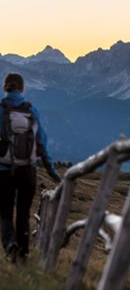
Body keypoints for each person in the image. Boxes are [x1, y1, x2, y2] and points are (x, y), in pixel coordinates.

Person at [0, 73, 60, 262]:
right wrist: (52, 171)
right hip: (28, 170)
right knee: (24, 213)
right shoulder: (32, 111)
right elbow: (41, 142)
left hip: (4, 171)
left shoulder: (1, 111)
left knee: (5, 212)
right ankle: (23, 254)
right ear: (22, 88)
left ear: (5, 88)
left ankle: (10, 246)